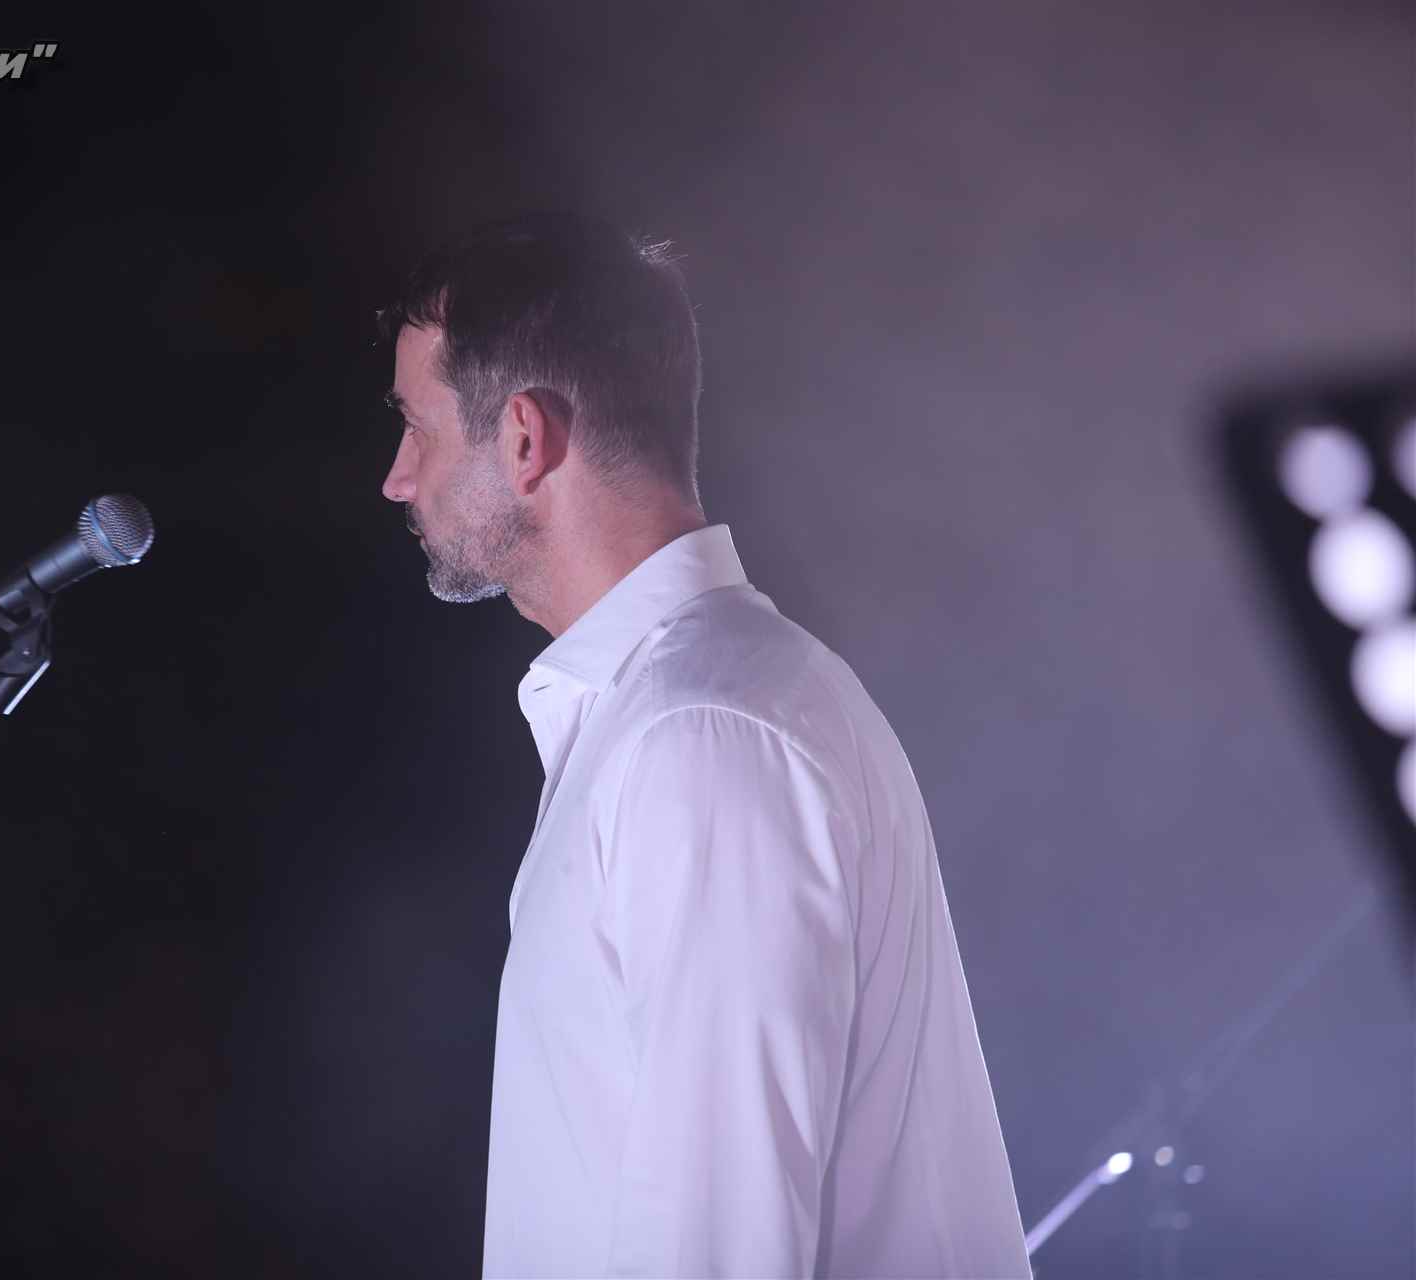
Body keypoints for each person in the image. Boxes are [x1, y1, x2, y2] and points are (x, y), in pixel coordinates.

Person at [376, 213, 1033, 1279]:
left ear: (525, 439)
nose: (399, 478)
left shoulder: (700, 737)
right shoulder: (693, 709)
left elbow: (719, 1247)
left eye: (419, 428)